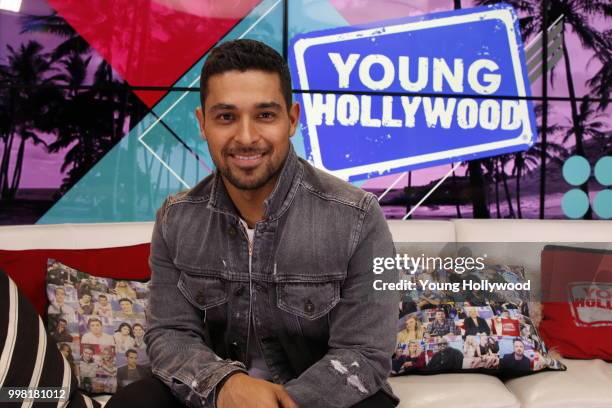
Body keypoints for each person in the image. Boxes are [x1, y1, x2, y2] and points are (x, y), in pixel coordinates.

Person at [107, 39, 398, 408]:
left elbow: (365, 351)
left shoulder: (357, 215)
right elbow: (169, 333)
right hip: (214, 396)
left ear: (292, 120)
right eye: (226, 116)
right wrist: (225, 386)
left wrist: (278, 404)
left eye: (264, 115)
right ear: (203, 123)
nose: (246, 138)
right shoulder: (175, 218)